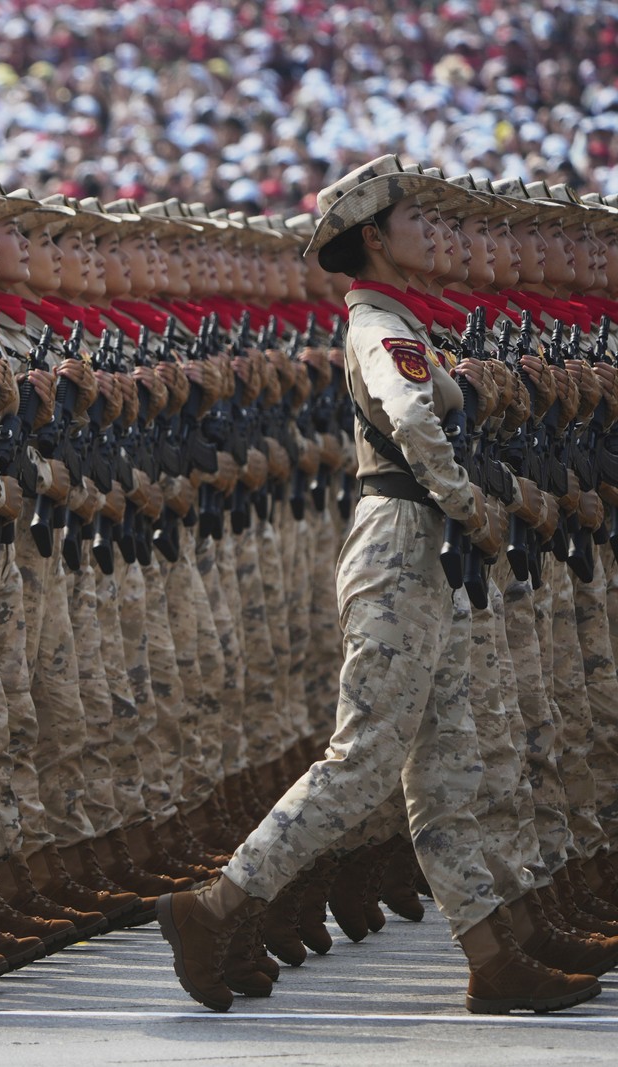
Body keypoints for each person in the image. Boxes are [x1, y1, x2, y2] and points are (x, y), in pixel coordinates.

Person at [155, 154, 601, 1015]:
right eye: (415, 223)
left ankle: (493, 950)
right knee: (363, 759)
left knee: (450, 759)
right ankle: (217, 906)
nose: (432, 235)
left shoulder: (408, 320)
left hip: (426, 544)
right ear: (373, 237)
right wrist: (470, 502)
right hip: (403, 539)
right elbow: (407, 416)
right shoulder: (378, 324)